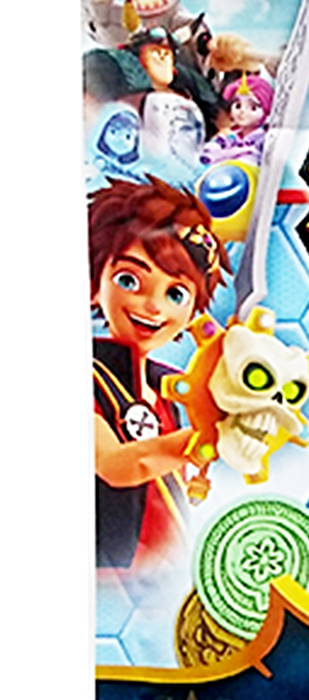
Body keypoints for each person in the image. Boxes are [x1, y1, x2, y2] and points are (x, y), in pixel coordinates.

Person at [90, 176, 230, 570]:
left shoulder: (169, 385)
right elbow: (116, 465)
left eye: (175, 294)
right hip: (109, 572)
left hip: (167, 569)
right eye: (130, 281)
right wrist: (203, 440)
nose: (153, 307)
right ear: (95, 283)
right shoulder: (88, 374)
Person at [200, 74, 274, 166]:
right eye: (238, 106)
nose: (242, 111)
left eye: (253, 108)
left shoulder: (262, 139)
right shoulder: (229, 137)